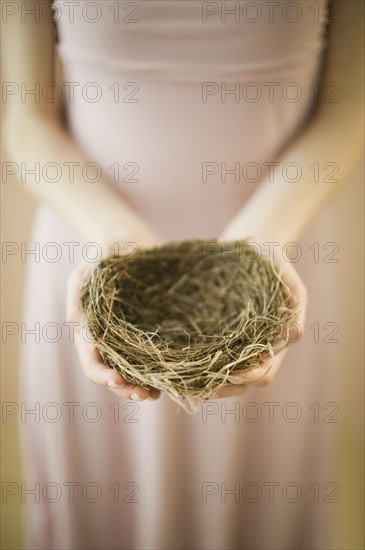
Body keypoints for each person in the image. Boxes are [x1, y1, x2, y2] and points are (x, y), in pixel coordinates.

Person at [3, 0, 363, 548]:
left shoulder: (267, 259)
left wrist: (258, 246)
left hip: (276, 247)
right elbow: (28, 122)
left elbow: (349, 107)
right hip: (94, 245)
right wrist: (116, 241)